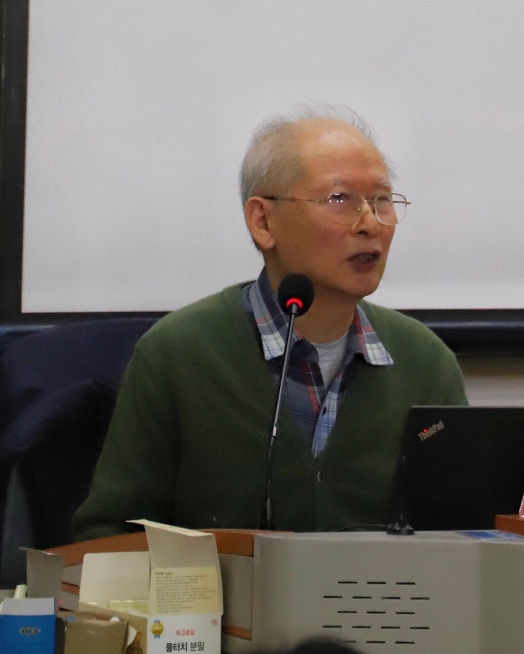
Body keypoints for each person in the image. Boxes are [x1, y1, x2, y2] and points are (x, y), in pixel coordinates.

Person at [72, 106, 467, 540]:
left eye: (382, 200)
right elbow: (110, 534)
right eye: (340, 199)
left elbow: (462, 534)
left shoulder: (426, 363)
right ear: (263, 221)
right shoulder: (177, 354)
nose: (370, 223)